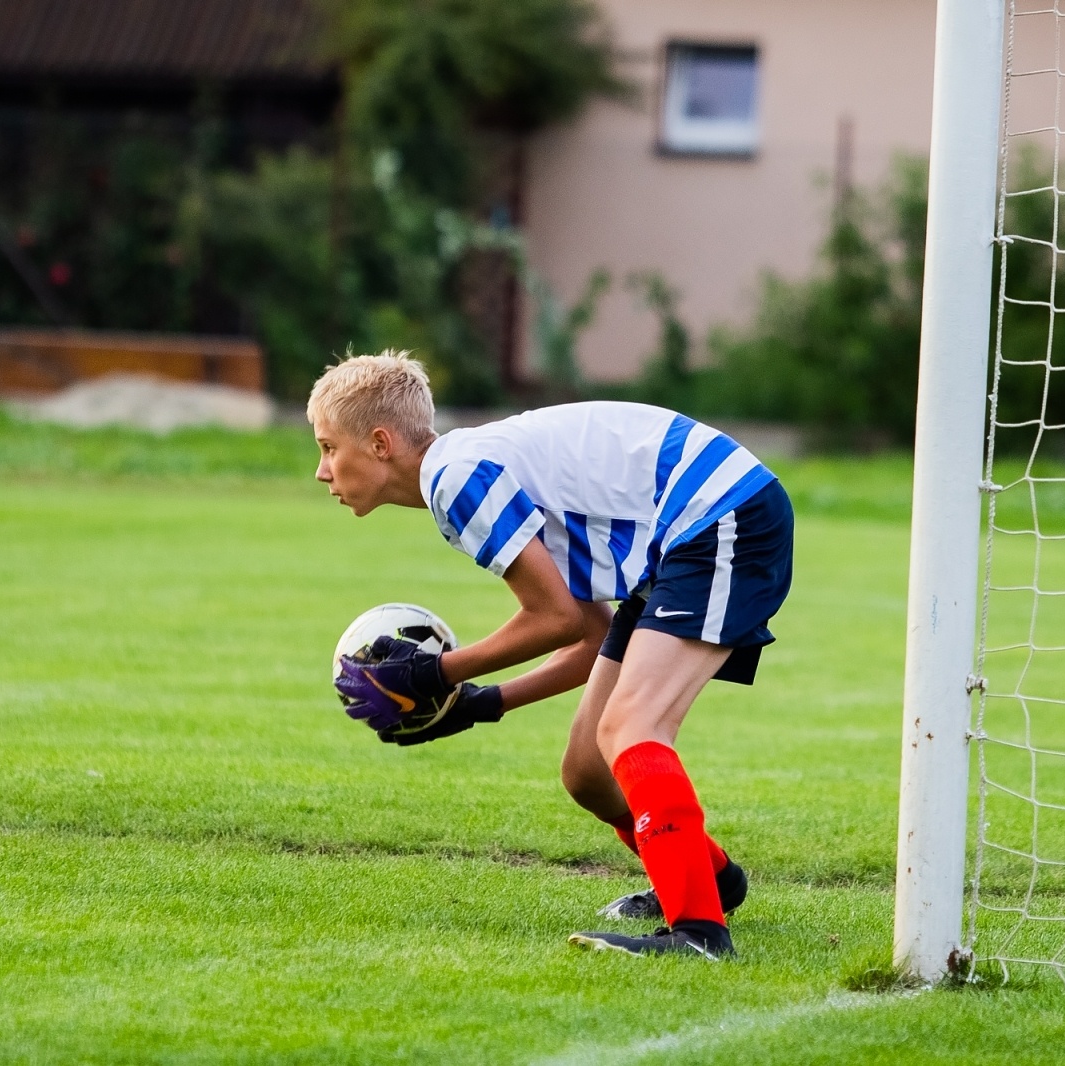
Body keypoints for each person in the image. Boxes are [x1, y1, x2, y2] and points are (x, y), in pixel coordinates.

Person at [314, 351, 793, 960]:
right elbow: (587, 635)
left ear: (380, 444)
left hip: (719, 513)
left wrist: (434, 674)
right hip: (684, 534)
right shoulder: (463, 472)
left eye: (329, 448)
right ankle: (711, 880)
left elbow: (554, 620)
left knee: (632, 728)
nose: (322, 471)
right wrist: (478, 704)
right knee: (588, 771)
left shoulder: (456, 479)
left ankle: (699, 933)